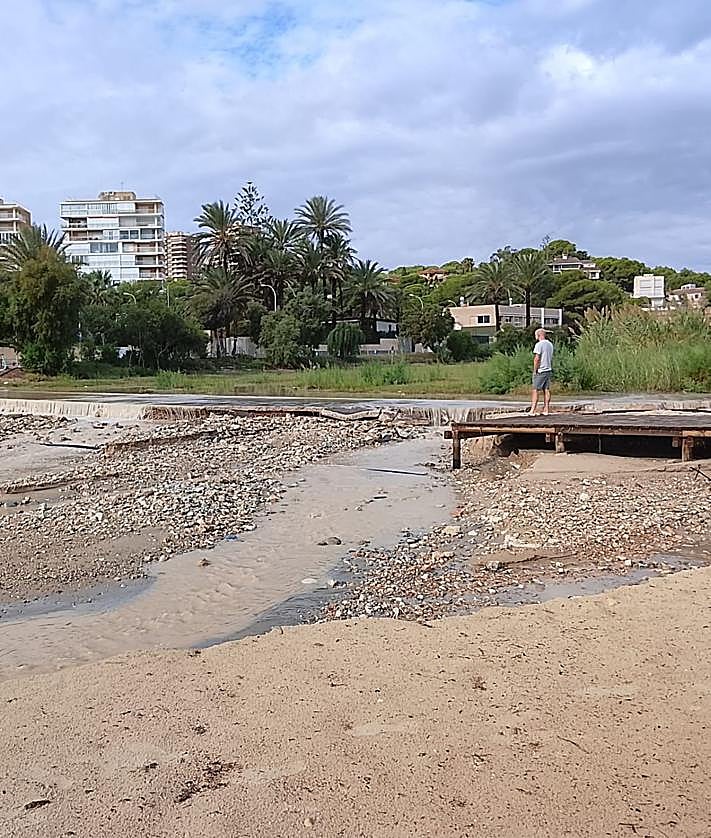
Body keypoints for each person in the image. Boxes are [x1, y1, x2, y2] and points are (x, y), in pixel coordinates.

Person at [530, 328, 554, 416]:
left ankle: (533, 410)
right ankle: (546, 409)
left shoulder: (539, 344)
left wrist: (535, 370)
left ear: (539, 335)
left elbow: (537, 358)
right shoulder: (550, 344)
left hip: (541, 370)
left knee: (535, 389)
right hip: (548, 369)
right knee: (546, 389)